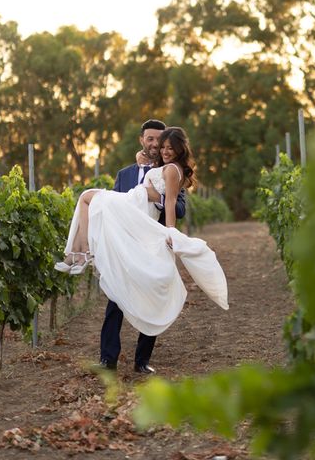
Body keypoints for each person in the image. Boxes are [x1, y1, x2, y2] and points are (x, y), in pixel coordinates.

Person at [55, 123, 228, 375]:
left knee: (151, 294)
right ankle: (107, 360)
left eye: (162, 142)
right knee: (115, 299)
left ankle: (142, 361)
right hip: (125, 241)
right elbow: (113, 207)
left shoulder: (168, 170)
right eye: (151, 140)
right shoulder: (125, 173)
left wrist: (162, 216)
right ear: (142, 140)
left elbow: (177, 207)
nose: (157, 145)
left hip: (150, 241)